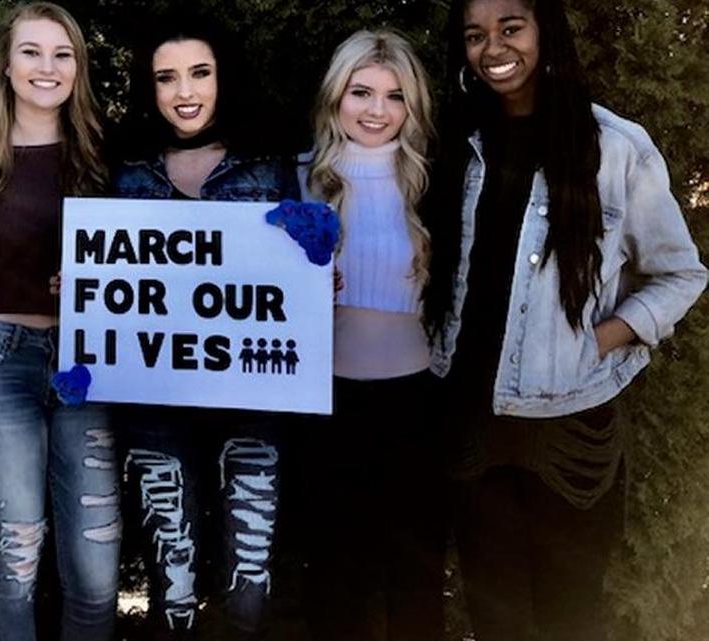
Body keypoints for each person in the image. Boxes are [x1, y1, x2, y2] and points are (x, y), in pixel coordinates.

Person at [422, 0, 708, 639]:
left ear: (545, 30)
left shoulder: (615, 148)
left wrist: (603, 337)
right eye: (475, 35)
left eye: (510, 27)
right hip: (472, 423)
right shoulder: (459, 145)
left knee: (569, 617)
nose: (493, 47)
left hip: (572, 426)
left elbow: (682, 273)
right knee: (497, 618)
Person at [111, 13, 299, 640]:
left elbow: (302, 257)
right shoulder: (125, 166)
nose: (184, 92)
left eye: (200, 73)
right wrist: (78, 284)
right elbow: (105, 270)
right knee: (174, 587)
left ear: (225, 78)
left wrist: (316, 272)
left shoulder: (272, 160)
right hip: (155, 401)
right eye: (167, 78)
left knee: (249, 586)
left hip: (252, 397)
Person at [0, 3, 119, 640]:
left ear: (79, 66)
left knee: (97, 577)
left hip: (87, 367)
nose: (47, 68)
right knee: (14, 566)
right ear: (5, 66)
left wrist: (98, 286)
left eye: (62, 54)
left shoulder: (103, 155)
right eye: (32, 52)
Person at [296, 29, 444, 641]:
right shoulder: (299, 178)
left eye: (395, 96)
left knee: (414, 578)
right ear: (336, 97)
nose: (377, 110)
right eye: (361, 92)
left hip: (417, 400)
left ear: (413, 107)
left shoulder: (437, 182)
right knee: (335, 579)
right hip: (326, 402)